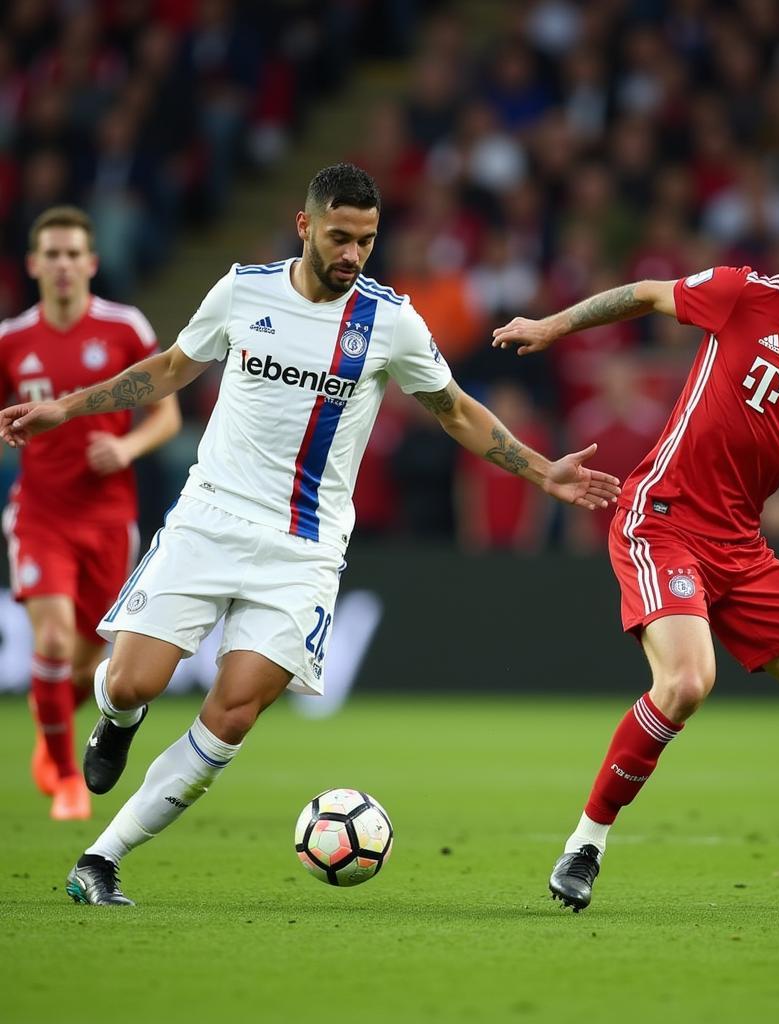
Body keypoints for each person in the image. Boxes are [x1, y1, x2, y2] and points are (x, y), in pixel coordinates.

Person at [0, 163, 620, 906]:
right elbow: (169, 370)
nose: (352, 253)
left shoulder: (390, 321)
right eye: (338, 236)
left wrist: (541, 470)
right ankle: (116, 717)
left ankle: (101, 858)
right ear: (305, 226)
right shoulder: (243, 290)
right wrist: (65, 410)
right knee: (131, 680)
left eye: (365, 239)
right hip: (210, 520)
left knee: (230, 715)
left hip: (304, 551)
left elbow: (454, 408)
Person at [493, 185, 779, 911]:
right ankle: (585, 844)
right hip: (661, 521)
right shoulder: (743, 293)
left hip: (741, 548)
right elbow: (644, 292)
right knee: (685, 684)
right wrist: (554, 325)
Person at [0, 206, 181, 822]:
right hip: (40, 514)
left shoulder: (124, 328)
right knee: (48, 639)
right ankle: (63, 775)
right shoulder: (11, 340)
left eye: (73, 253)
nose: (63, 265)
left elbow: (168, 413)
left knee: (82, 667)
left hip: (108, 520)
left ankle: (52, 729)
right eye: (51, 254)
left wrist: (126, 446)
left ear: (92, 263)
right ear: (33, 264)